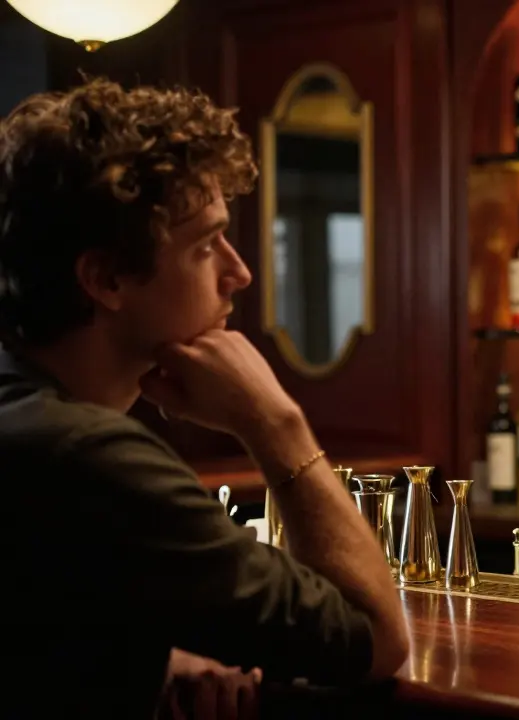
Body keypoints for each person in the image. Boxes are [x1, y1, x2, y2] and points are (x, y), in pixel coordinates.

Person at [0, 78, 408, 716]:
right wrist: (277, 423)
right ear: (106, 278)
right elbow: (376, 639)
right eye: (204, 244)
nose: (238, 272)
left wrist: (144, 658)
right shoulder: (89, 456)